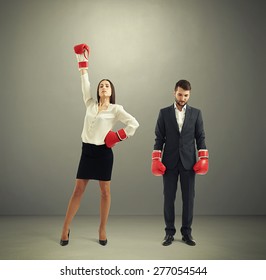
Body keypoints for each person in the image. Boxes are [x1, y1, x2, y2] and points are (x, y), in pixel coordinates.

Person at [60, 43, 139, 246]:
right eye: (101, 85)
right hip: (87, 151)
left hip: (104, 153)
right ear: (98, 90)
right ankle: (65, 228)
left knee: (105, 192)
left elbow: (134, 124)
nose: (104, 87)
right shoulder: (90, 103)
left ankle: (102, 229)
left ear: (111, 91)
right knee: (78, 190)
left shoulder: (116, 109)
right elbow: (84, 79)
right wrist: (82, 60)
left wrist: (118, 136)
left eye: (107, 85)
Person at [151, 80, 208, 246]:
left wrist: (203, 157)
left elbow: (201, 137)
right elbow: (159, 138)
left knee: (189, 198)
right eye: (180, 94)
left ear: (189, 95)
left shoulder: (197, 113)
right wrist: (156, 158)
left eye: (186, 95)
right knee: (168, 198)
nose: (183, 98)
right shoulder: (164, 113)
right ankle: (169, 233)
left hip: (189, 162)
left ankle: (187, 233)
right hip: (169, 162)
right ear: (174, 93)